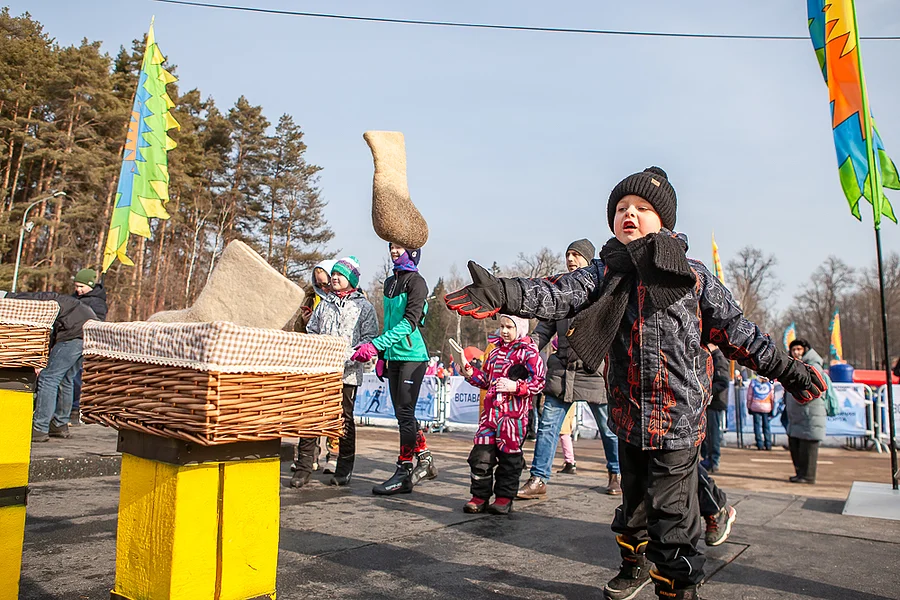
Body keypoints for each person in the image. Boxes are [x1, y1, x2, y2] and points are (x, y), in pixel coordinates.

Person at [445, 166, 825, 600]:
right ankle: (634, 564)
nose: (630, 213)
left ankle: (676, 588)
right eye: (622, 207)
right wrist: (504, 292)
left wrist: (792, 373)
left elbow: (741, 334)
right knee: (633, 508)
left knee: (672, 520)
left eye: (642, 208)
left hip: (678, 422)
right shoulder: (605, 272)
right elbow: (555, 292)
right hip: (628, 415)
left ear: (664, 220)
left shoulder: (692, 276)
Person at [518, 238, 622, 499]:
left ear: (589, 260)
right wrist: (527, 348)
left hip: (594, 372)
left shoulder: (601, 291)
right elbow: (543, 329)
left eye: (576, 255)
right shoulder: (561, 292)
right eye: (568, 255)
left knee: (609, 429)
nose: (571, 259)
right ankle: (539, 478)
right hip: (561, 372)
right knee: (548, 426)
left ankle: (617, 473)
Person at [351, 243, 437, 495]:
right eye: (392, 246)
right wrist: (384, 355)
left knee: (406, 415)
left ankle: (403, 472)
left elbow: (408, 323)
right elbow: (388, 322)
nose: (394, 251)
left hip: (412, 355)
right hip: (394, 356)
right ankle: (426, 460)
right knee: (403, 416)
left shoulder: (417, 282)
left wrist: (376, 346)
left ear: (412, 251)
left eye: (400, 247)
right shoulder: (390, 282)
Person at [291, 257, 378, 488]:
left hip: (347, 373)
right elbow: (312, 332)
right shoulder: (324, 305)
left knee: (344, 421)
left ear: (351, 279)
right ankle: (303, 468)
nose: (335, 278)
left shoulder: (364, 307)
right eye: (334, 274)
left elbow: (370, 338)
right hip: (321, 371)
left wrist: (359, 353)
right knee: (310, 417)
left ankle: (344, 468)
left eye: (340, 275)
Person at [461, 315, 545, 515]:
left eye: (509, 327)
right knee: (480, 457)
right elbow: (486, 380)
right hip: (490, 416)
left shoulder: (529, 352)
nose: (504, 331)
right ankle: (479, 497)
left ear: (520, 329)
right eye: (502, 326)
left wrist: (517, 386)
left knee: (509, 460)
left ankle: (504, 498)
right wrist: (469, 372)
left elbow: (539, 381)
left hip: (513, 419)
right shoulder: (494, 351)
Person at [1, 290, 98, 442]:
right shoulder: (53, 300)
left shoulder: (33, 303)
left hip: (74, 333)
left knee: (48, 378)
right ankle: (60, 424)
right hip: (89, 331)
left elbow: (44, 331)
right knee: (66, 378)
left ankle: (40, 427)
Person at [785, 338, 826, 484]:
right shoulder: (793, 366)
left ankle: (808, 475)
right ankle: (800, 473)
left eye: (799, 349)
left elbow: (815, 390)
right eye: (794, 349)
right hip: (797, 415)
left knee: (808, 446)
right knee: (796, 446)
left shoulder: (813, 366)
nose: (796, 352)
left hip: (810, 414)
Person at [69, 268, 108, 426]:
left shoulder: (97, 302)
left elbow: (96, 322)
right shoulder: (74, 298)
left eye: (82, 287)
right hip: (70, 338)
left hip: (84, 342)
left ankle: (75, 408)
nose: (78, 290)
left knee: (77, 376)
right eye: (76, 286)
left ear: (90, 285)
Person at [700, 344, 729, 473]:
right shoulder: (710, 357)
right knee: (707, 434)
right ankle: (708, 458)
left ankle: (713, 460)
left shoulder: (719, 358)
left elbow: (723, 382)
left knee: (713, 434)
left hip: (715, 402)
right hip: (709, 402)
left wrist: (707, 391)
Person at [747, 375, 775, 451]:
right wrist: (772, 407)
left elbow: (749, 396)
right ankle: (768, 444)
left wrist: (749, 406)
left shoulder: (753, 382)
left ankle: (759, 444)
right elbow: (772, 397)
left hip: (755, 406)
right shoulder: (770, 384)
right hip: (766, 406)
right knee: (766, 426)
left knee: (757, 425)